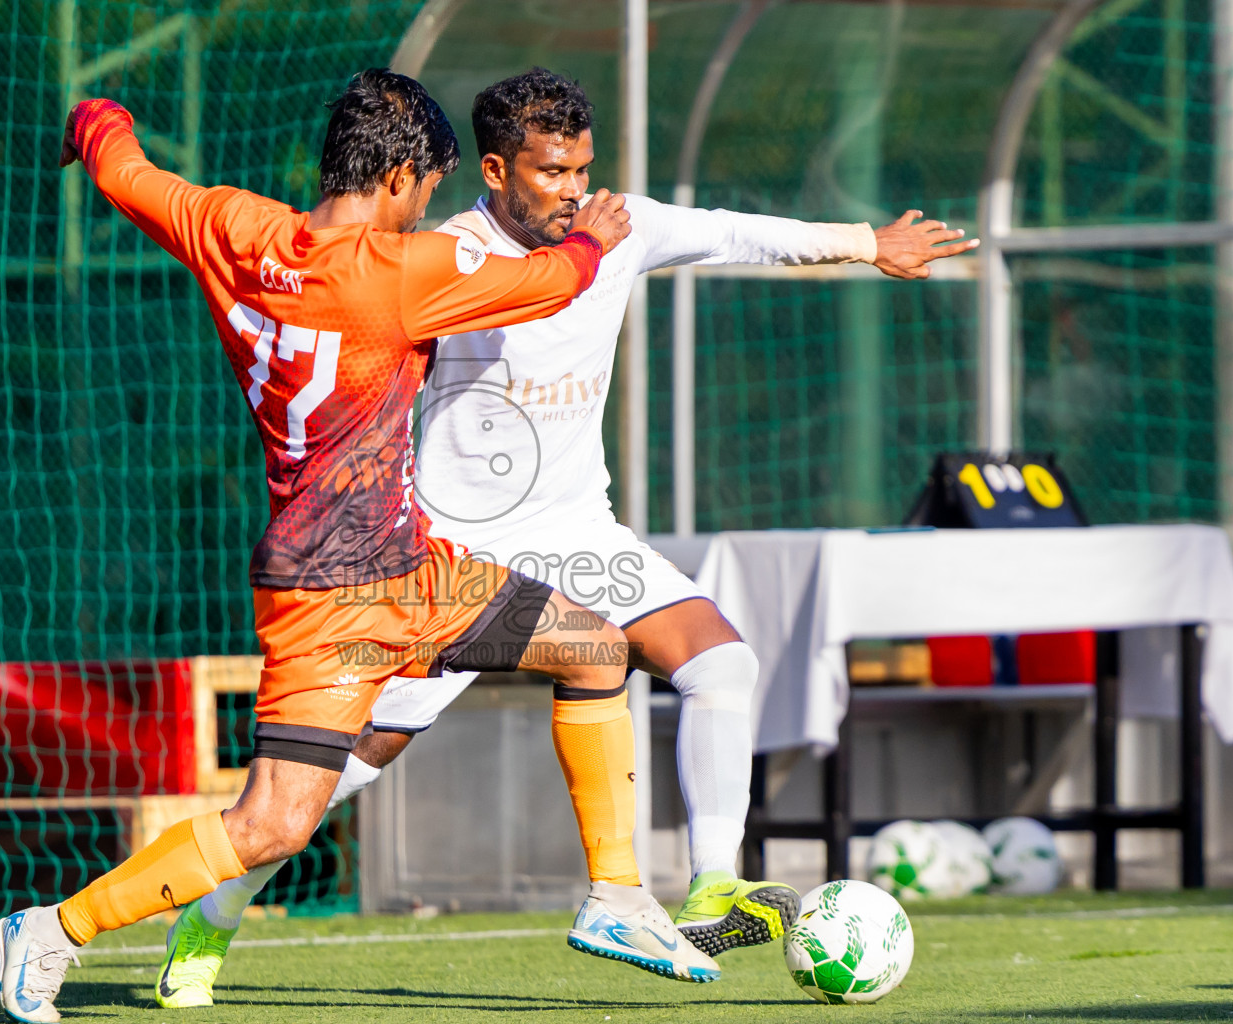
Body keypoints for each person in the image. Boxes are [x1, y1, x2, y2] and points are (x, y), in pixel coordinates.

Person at [155, 67, 979, 1008]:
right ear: (497, 170)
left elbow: (736, 232)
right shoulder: (438, 255)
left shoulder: (616, 226)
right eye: (552, 172)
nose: (575, 190)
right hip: (449, 554)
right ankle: (210, 916)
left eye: (583, 168)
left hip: (579, 529)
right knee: (339, 774)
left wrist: (870, 243)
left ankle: (713, 883)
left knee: (721, 663)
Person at [0, 69, 720, 1024]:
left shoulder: (232, 229)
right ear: (401, 177)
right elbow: (553, 282)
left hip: (414, 573)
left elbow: (128, 172)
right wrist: (595, 236)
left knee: (592, 646)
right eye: (427, 191)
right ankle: (48, 932)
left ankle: (617, 898)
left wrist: (93, 120)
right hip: (330, 602)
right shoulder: (402, 274)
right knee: (271, 826)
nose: (430, 210)